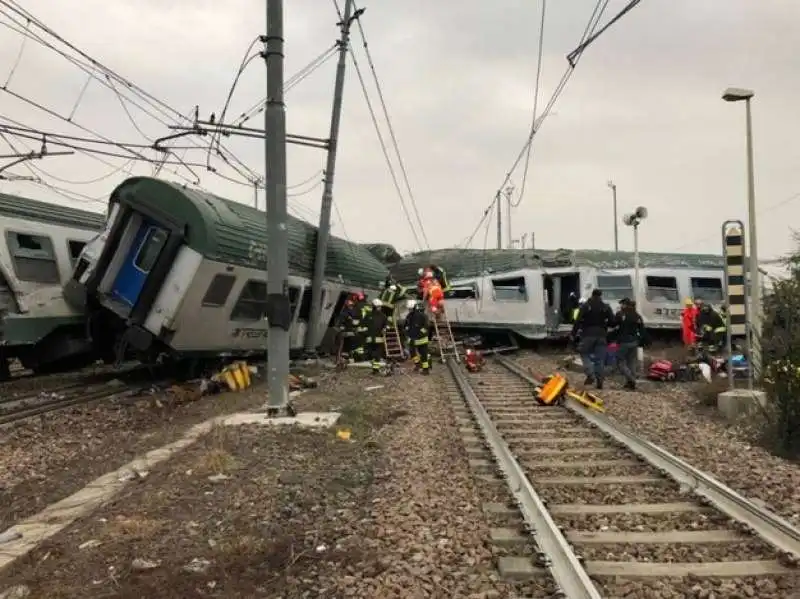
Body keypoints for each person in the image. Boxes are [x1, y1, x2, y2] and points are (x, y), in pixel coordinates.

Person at [572, 288, 615, 389]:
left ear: (592, 295)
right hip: (602, 335)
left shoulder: (586, 306)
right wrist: (605, 324)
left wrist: (573, 333)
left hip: (588, 334)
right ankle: (600, 381)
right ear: (601, 296)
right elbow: (612, 322)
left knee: (583, 353)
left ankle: (590, 374)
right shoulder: (606, 307)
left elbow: (578, 321)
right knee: (600, 359)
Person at [614, 299, 645, 390]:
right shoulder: (637, 316)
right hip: (634, 342)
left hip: (624, 342)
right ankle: (630, 384)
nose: (621, 306)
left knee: (620, 362)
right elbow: (642, 329)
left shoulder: (620, 314)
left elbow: (614, 324)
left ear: (625, 305)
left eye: (622, 304)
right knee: (631, 362)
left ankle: (632, 380)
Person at [403, 299, 431, 374]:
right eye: (409, 309)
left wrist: (419, 334)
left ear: (415, 307)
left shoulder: (422, 316)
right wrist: (407, 332)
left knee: (423, 355)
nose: (409, 310)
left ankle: (426, 370)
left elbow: (426, 327)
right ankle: (418, 364)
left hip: (422, 340)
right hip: (412, 339)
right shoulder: (409, 316)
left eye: (410, 309)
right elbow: (406, 326)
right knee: (412, 353)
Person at [363, 298, 388, 374]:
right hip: (369, 339)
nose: (379, 308)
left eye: (380, 307)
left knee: (377, 355)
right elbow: (363, 325)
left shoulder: (383, 316)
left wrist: (385, 329)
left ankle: (375, 370)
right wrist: (365, 333)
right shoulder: (368, 315)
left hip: (379, 339)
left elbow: (386, 325)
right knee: (369, 354)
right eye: (378, 307)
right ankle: (374, 367)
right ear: (374, 307)